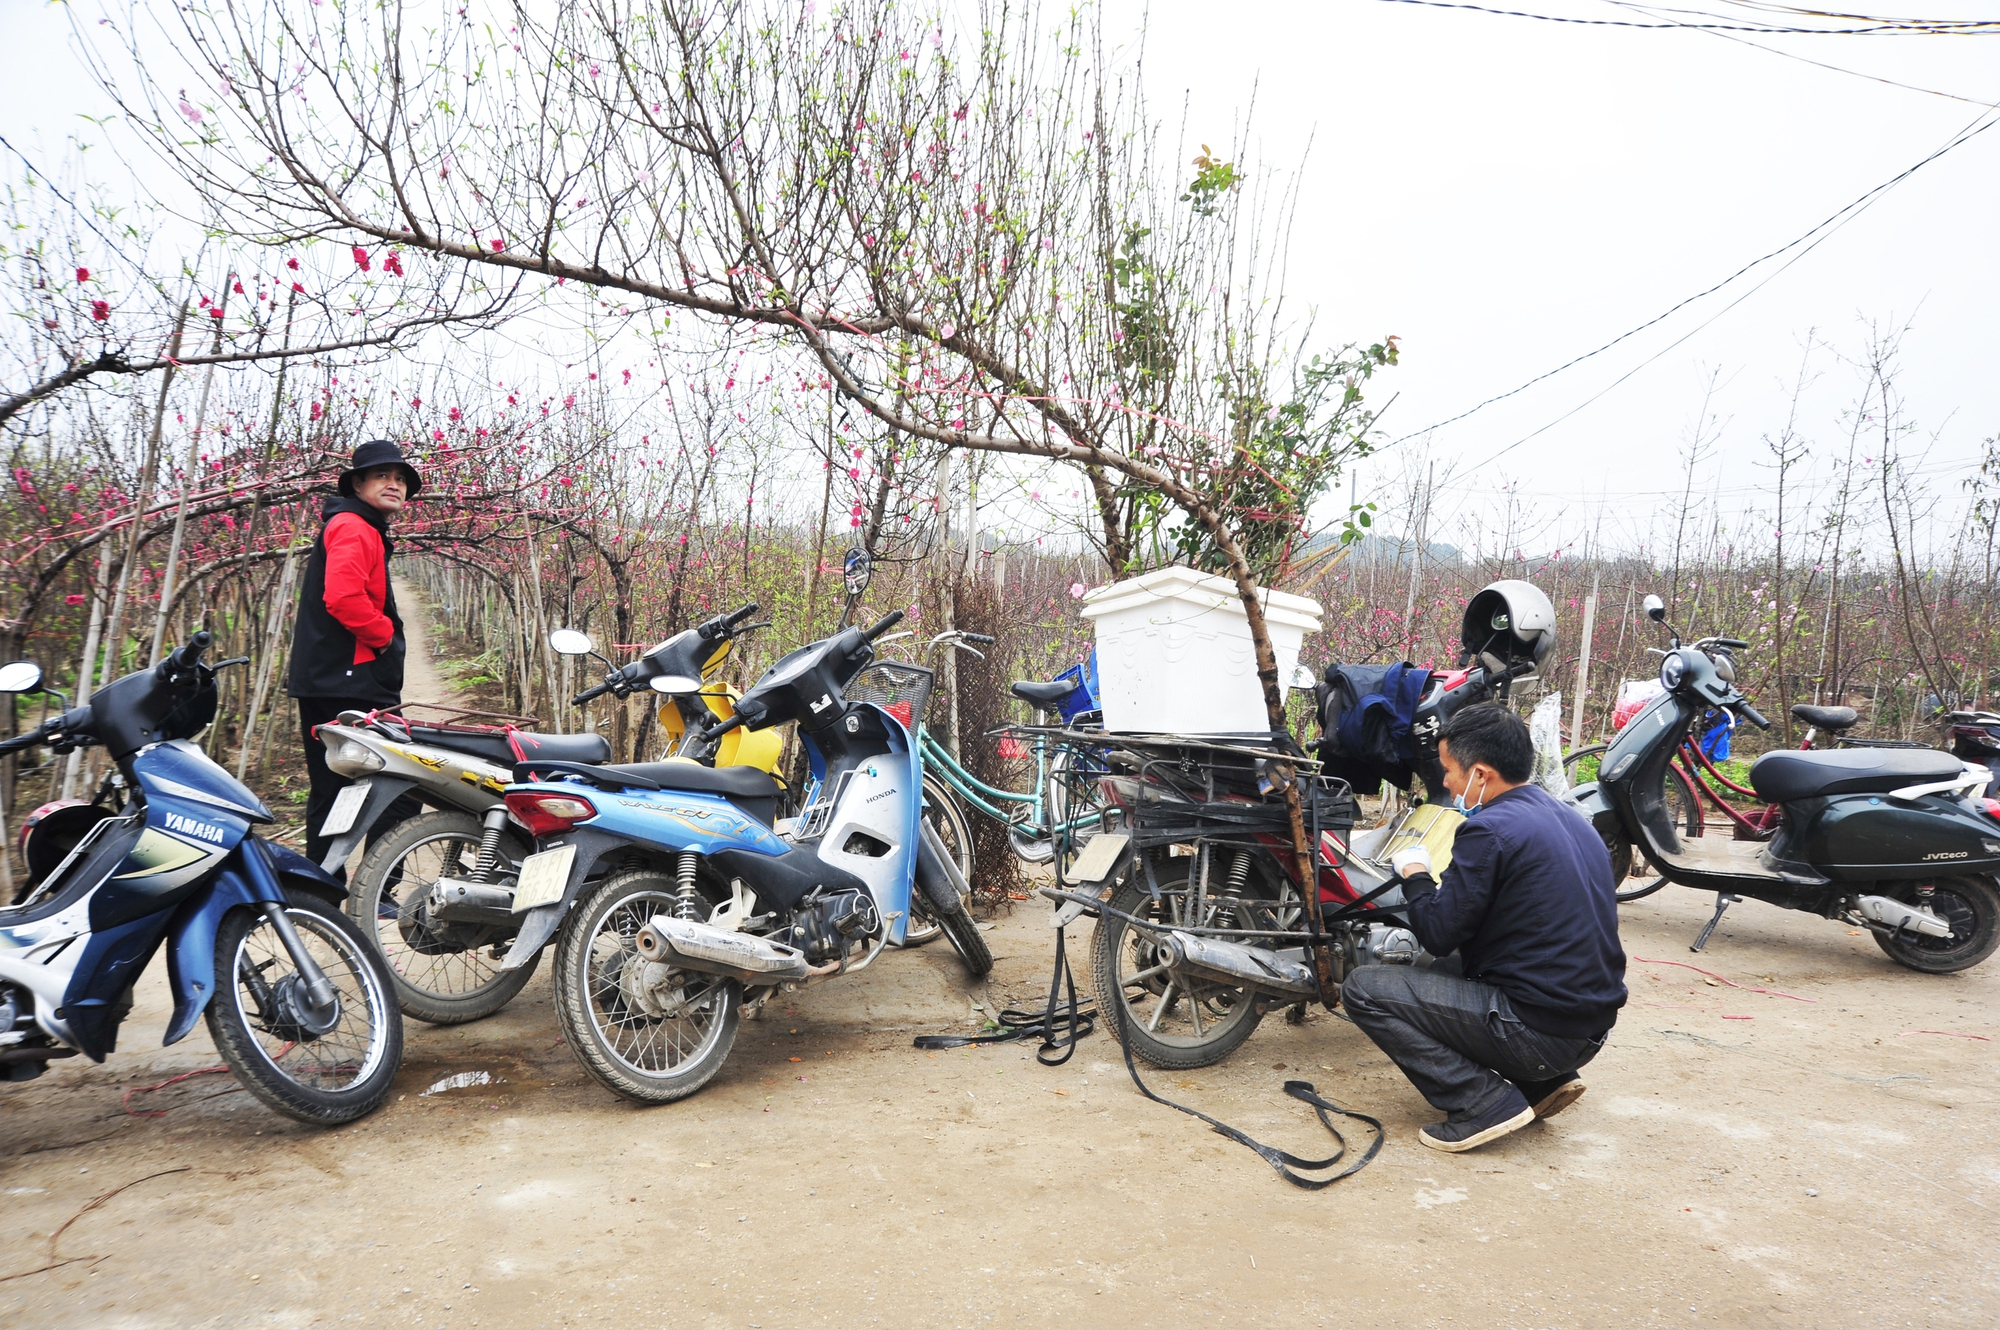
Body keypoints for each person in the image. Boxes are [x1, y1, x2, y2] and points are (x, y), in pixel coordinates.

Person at [1341, 702, 1626, 1153]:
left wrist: (1416, 873)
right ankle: (1541, 1085)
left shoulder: (1489, 830)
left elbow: (1437, 931)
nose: (1446, 782)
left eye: (1449, 770)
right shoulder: (1574, 820)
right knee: (1448, 970)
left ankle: (1481, 1101)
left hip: (1540, 1032)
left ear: (1481, 774)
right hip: (1588, 1028)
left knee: (1364, 989)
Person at [288, 439, 424, 869]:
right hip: (347, 680)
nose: (394, 484)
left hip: (335, 677)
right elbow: (343, 597)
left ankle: (323, 891)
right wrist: (383, 636)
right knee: (404, 781)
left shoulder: (359, 525)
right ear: (358, 484)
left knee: (333, 788)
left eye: (401, 478)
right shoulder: (353, 525)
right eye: (383, 475)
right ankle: (374, 886)